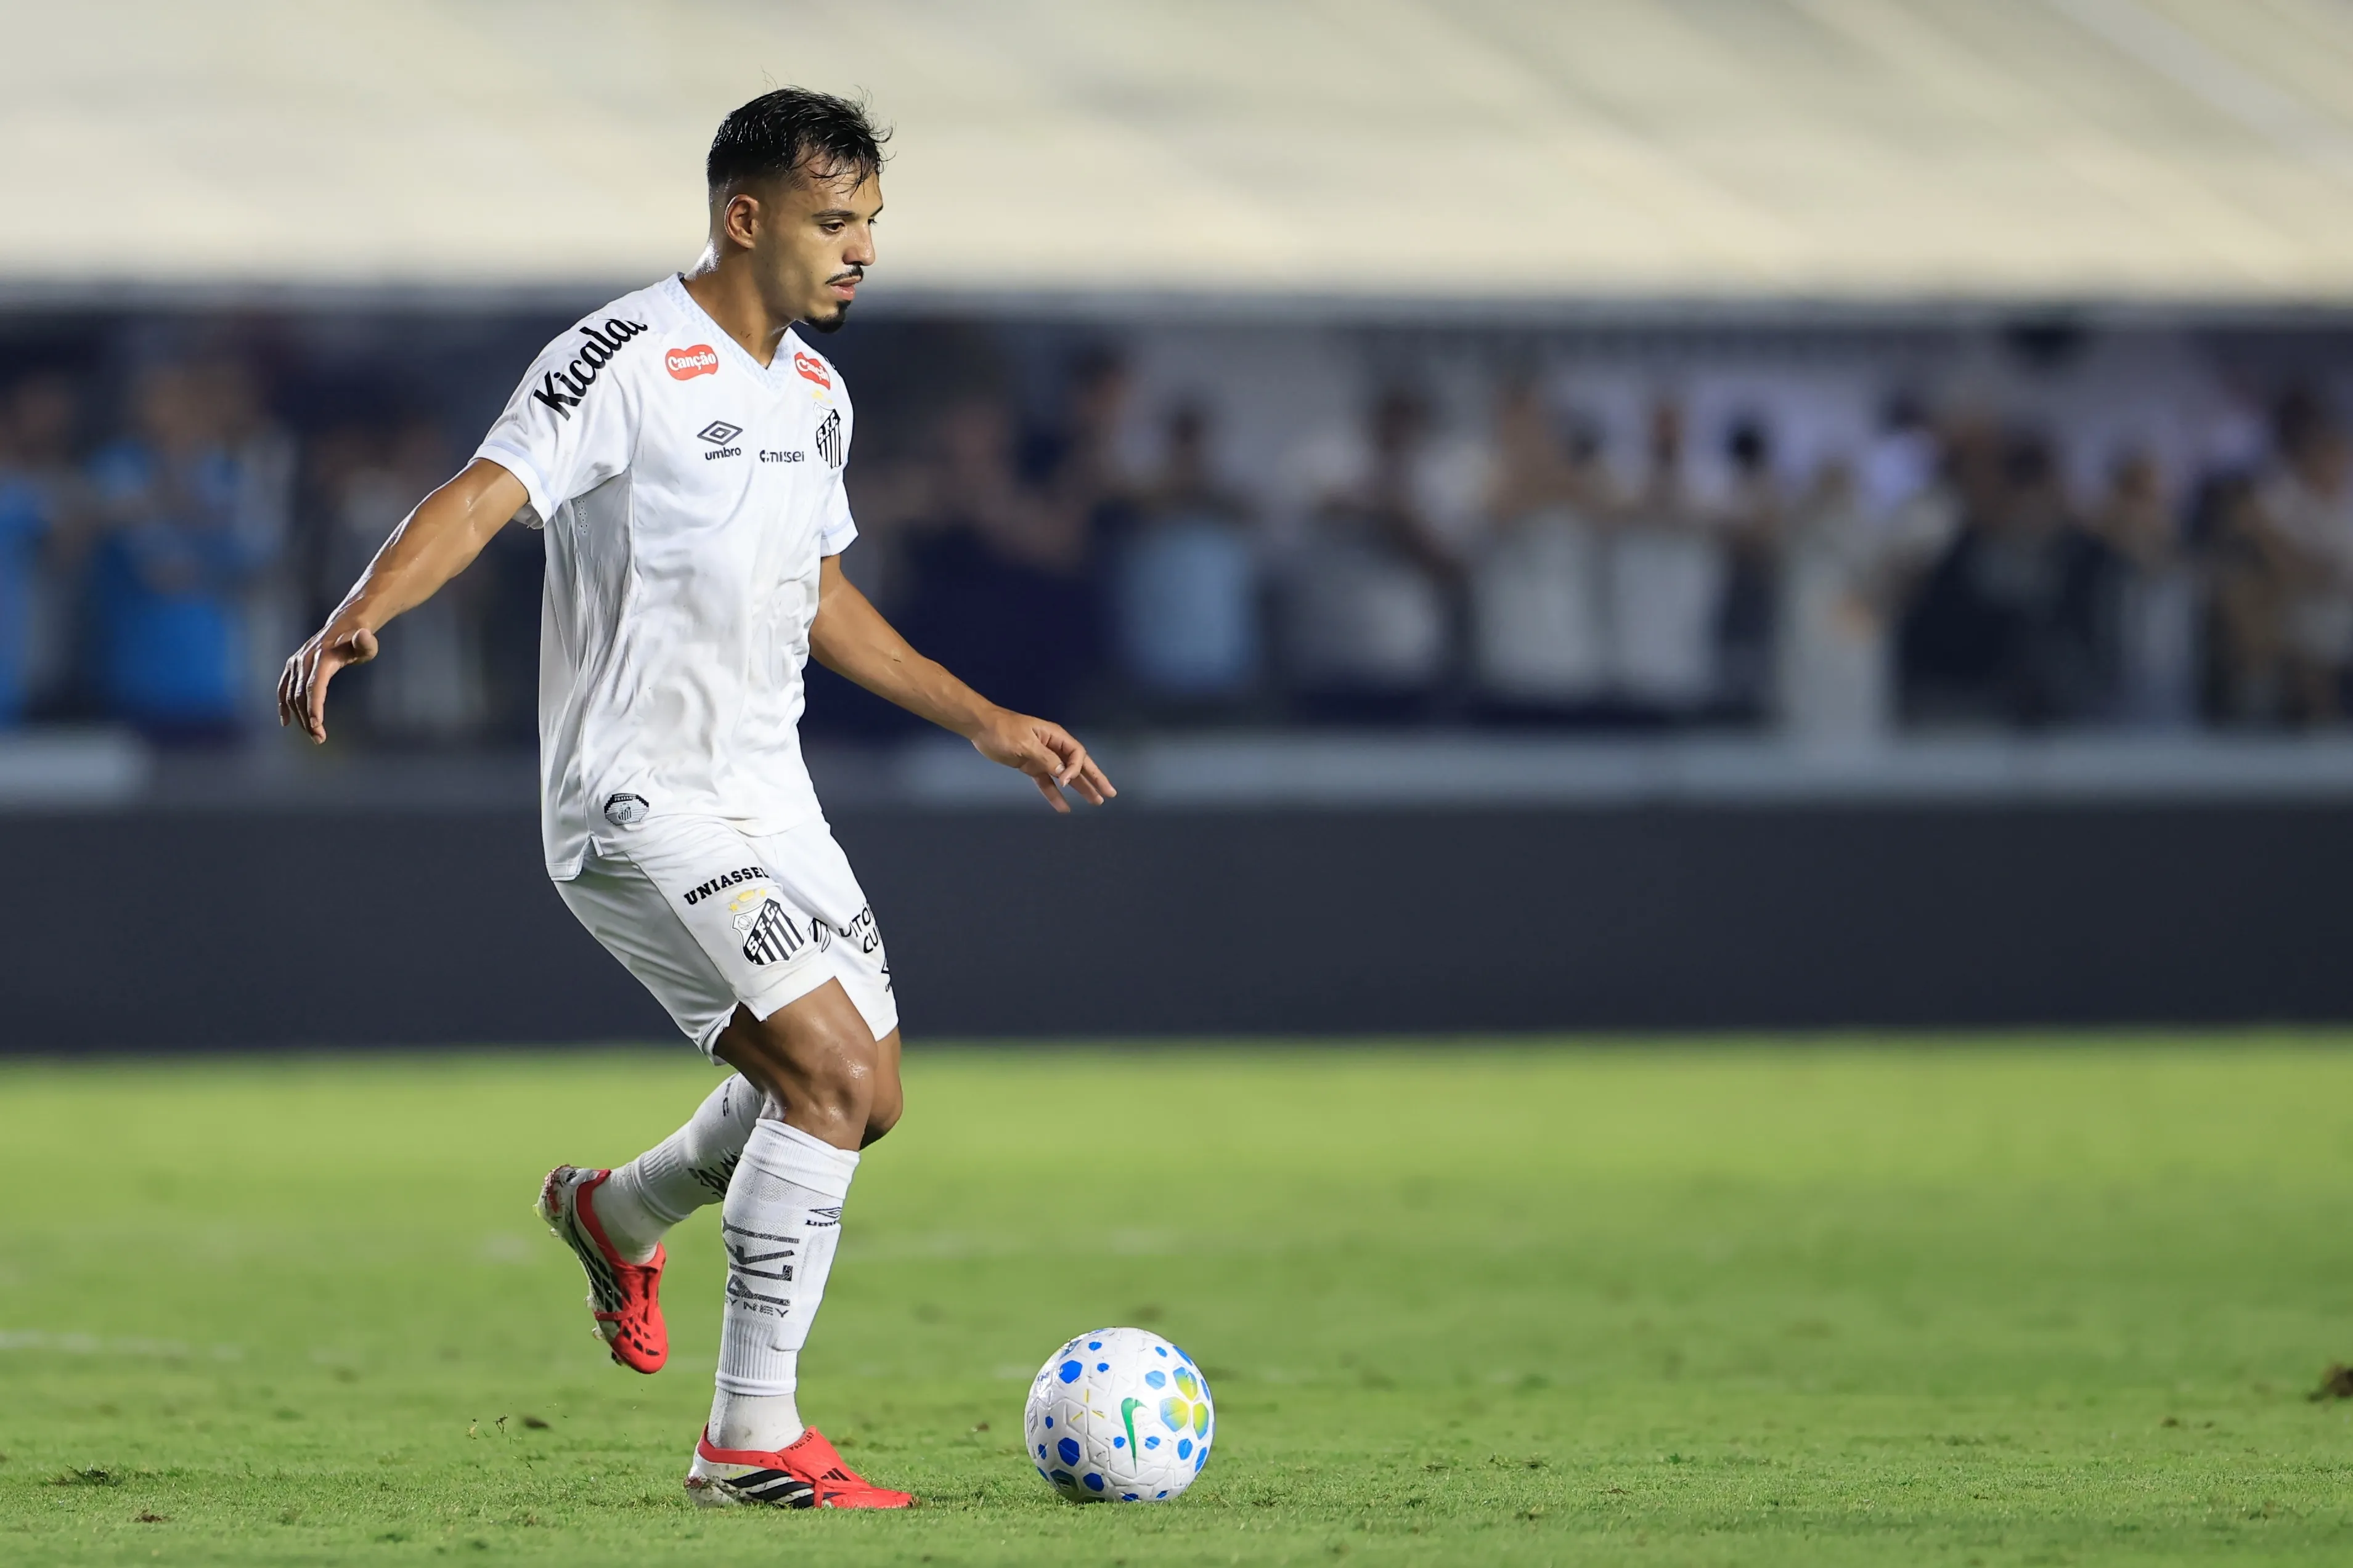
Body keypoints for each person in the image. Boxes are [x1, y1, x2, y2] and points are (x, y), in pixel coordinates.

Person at [277, 89, 1114, 1512]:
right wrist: (363, 611)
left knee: (868, 1097)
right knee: (829, 1079)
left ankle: (615, 1212)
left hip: (767, 796)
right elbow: (485, 493)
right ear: (746, 218)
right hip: (634, 797)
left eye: (870, 226)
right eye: (834, 222)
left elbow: (824, 598)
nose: (861, 253)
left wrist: (984, 721)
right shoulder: (621, 356)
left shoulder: (817, 396)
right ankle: (747, 1444)